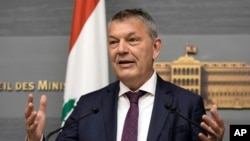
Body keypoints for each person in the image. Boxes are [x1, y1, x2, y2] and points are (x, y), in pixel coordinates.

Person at [24, 8, 225, 141]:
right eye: (113, 42)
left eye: (132, 40)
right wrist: (36, 139)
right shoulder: (88, 106)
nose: (121, 49)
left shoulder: (187, 105)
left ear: (155, 48)